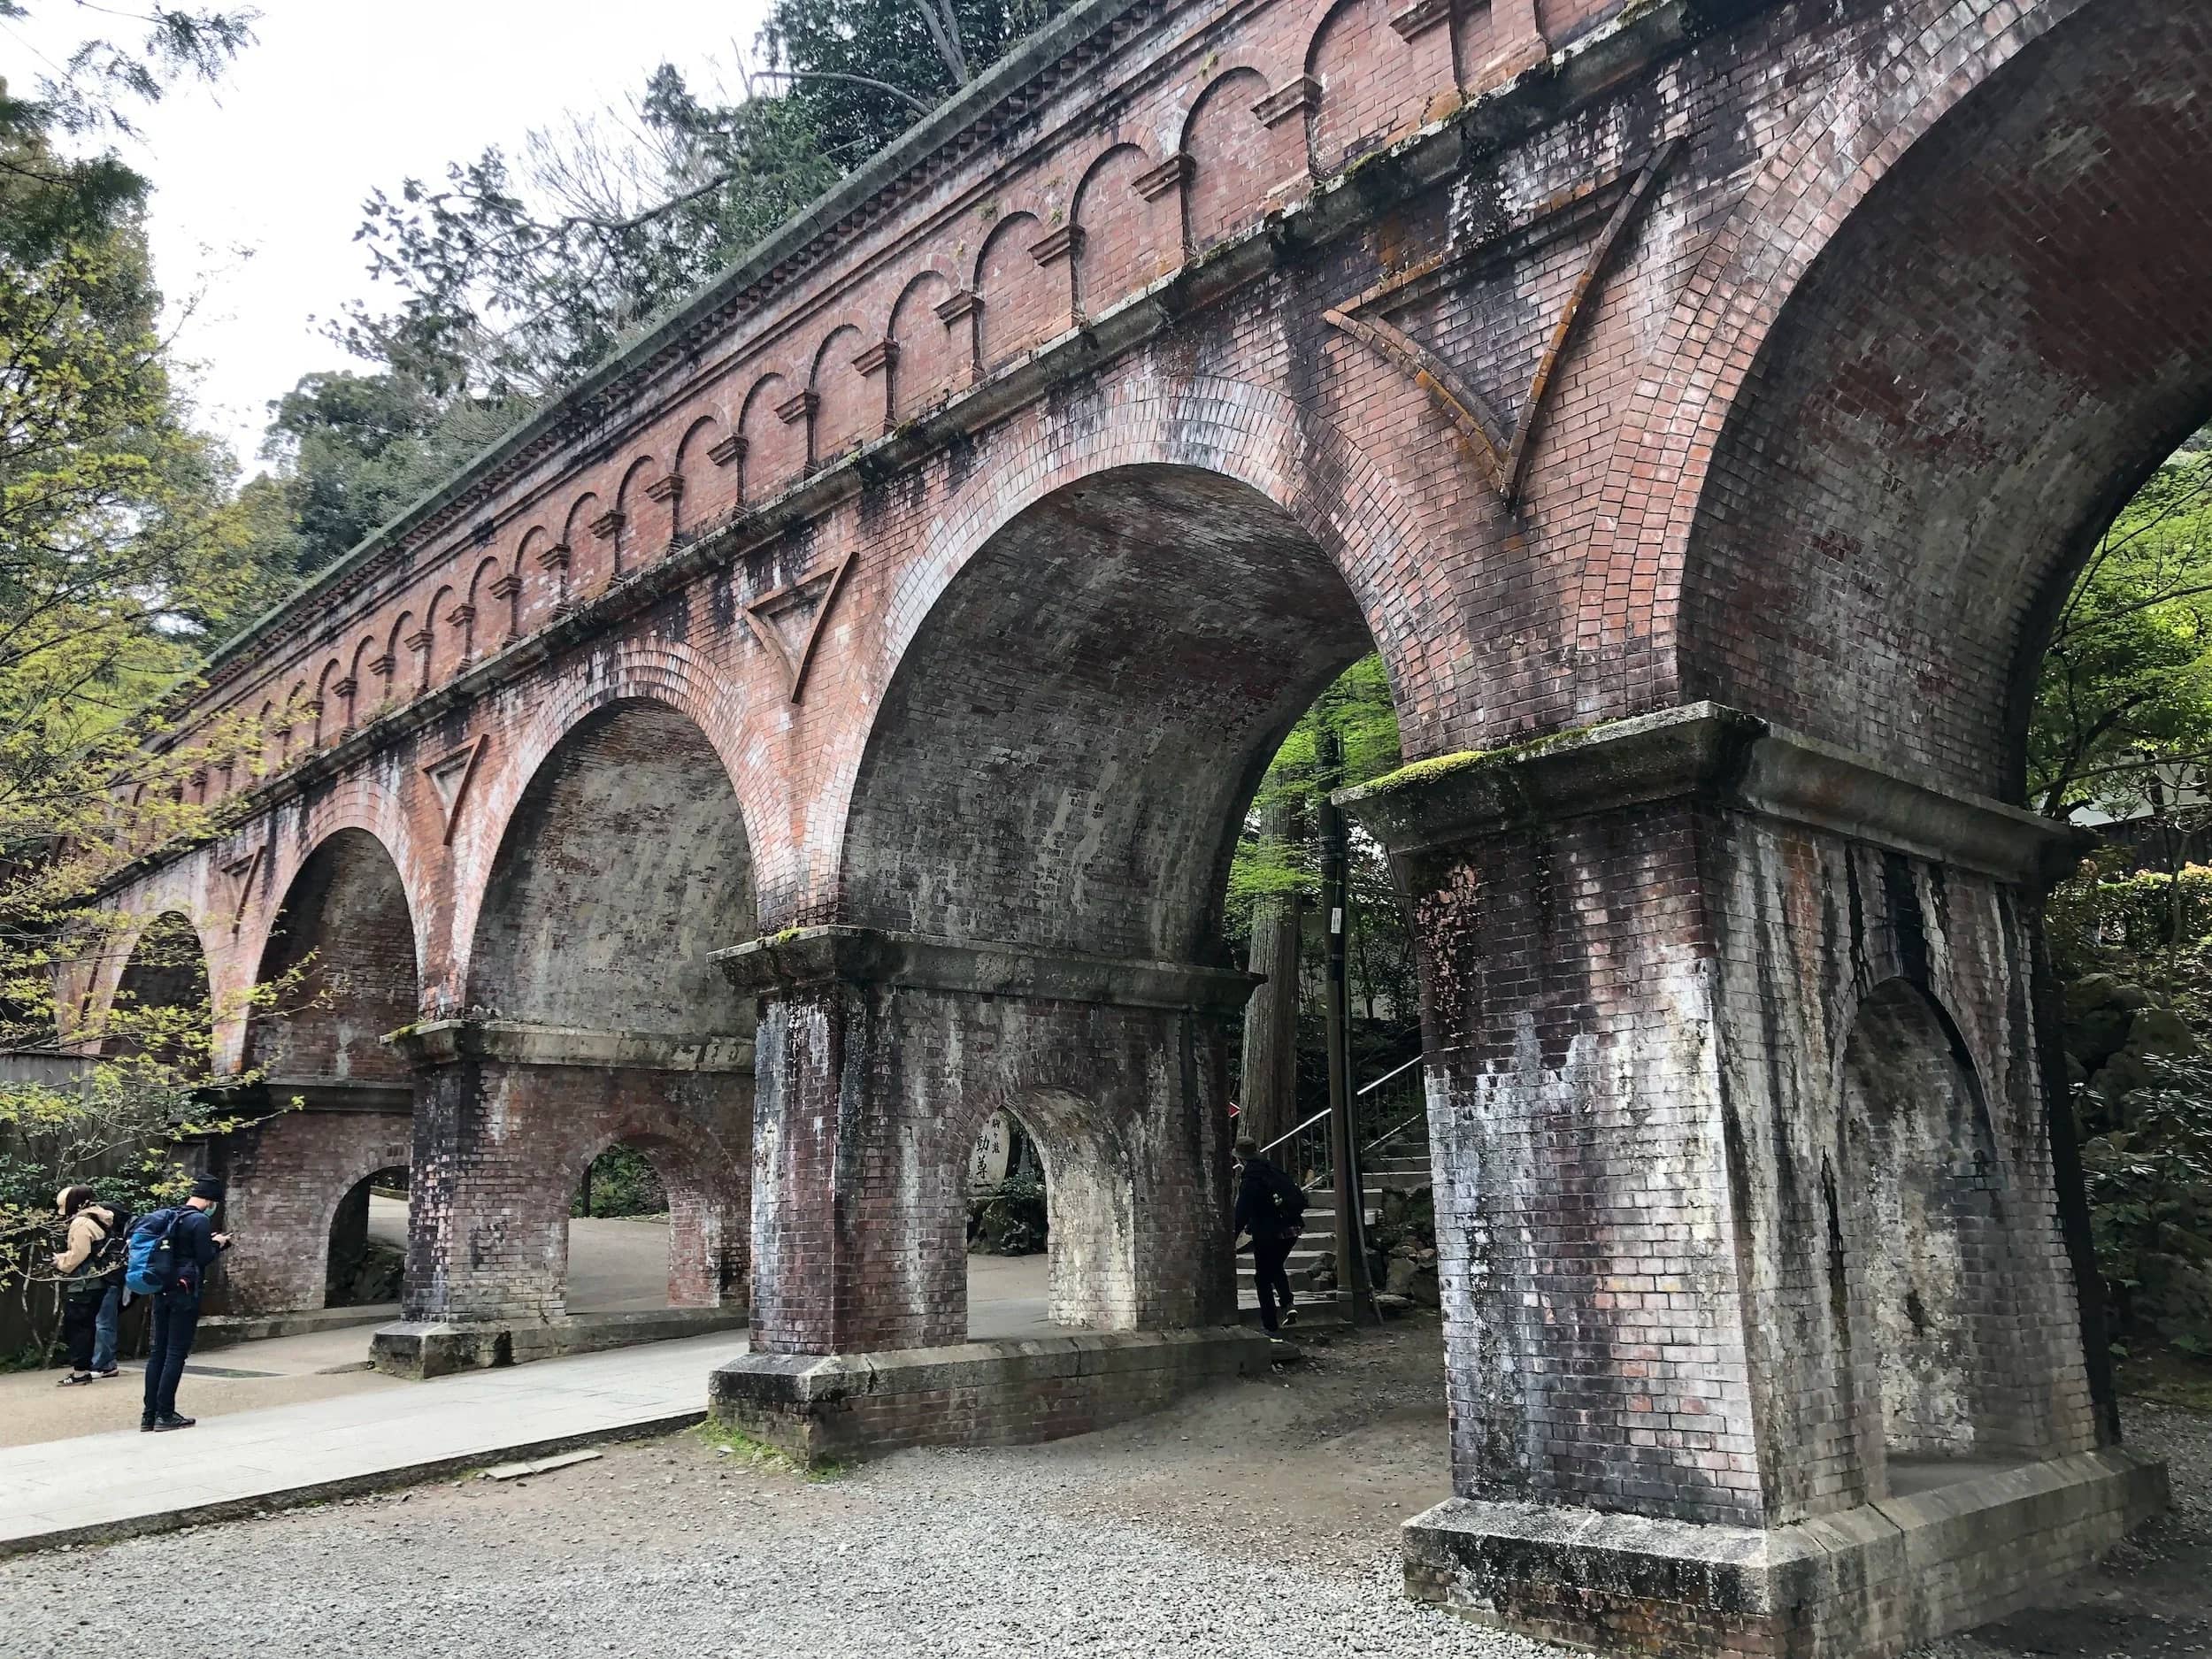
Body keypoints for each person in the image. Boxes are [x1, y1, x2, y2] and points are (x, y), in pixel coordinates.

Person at [140, 1174, 232, 1432]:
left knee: (158, 1351)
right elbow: (203, 1258)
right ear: (210, 1200)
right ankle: (165, 1414)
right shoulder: (198, 1221)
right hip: (185, 1291)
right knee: (175, 1353)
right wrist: (218, 1244)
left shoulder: (171, 1216)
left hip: (162, 1289)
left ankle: (149, 1415)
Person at [50, 1186, 120, 1386]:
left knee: (78, 1327)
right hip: (100, 1280)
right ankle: (92, 1367)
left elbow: (80, 1254)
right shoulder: (100, 1217)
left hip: (84, 1283)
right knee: (90, 1325)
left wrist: (60, 1262)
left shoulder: (81, 1223)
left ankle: (80, 1371)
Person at [1233, 1136, 1302, 1333]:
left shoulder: (1250, 1179)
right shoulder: (1271, 1169)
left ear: (1240, 1159)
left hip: (1269, 1233)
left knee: (1262, 1278)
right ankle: (1288, 1304)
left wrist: (1233, 1235)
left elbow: (1242, 1212)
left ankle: (1270, 1325)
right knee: (1275, 1266)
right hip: (1292, 1228)